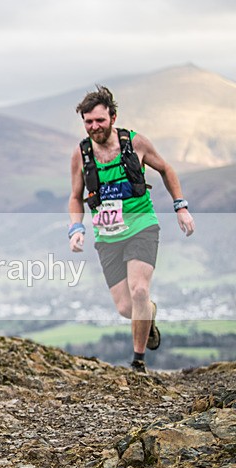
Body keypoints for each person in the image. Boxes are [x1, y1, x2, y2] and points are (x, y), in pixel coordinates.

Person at [67, 86, 195, 373]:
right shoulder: (82, 153)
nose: (94, 127)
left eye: (99, 120)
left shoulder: (135, 143)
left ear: (113, 117)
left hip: (141, 227)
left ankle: (138, 362)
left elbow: (166, 169)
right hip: (107, 235)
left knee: (139, 291)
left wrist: (181, 206)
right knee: (127, 308)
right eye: (88, 122)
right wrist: (76, 227)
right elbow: (75, 196)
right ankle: (148, 318)